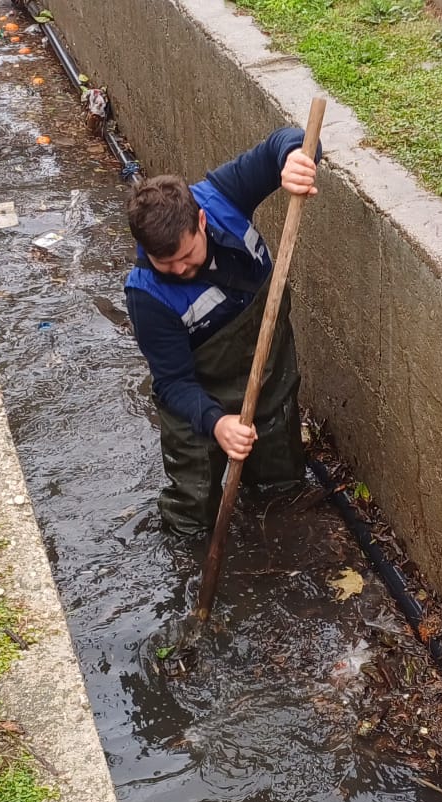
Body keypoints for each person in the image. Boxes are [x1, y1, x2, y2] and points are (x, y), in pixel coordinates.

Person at [124, 128, 320, 536]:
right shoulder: (148, 297)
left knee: (280, 480)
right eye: (165, 263)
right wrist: (217, 424)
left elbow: (285, 142)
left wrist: (298, 160)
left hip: (265, 366)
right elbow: (174, 382)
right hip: (198, 388)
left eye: (185, 255)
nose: (179, 270)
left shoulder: (222, 197)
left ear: (199, 220)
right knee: (195, 510)